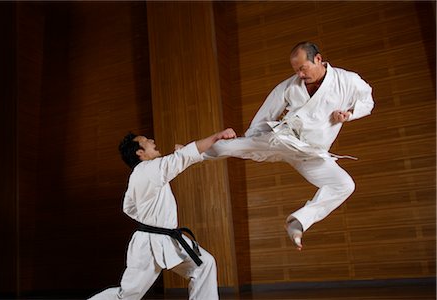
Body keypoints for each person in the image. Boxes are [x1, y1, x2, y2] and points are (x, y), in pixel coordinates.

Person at [204, 41, 374, 251]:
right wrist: (249, 139)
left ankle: (298, 222)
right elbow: (265, 114)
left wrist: (350, 115)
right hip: (285, 141)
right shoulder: (289, 86)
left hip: (312, 154)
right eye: (296, 70)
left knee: (344, 185)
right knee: (228, 148)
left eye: (303, 68)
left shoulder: (347, 81)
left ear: (318, 59)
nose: (300, 75)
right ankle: (190, 152)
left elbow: (367, 100)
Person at [88, 128, 237, 300]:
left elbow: (128, 207)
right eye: (146, 141)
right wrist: (216, 136)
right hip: (147, 245)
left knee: (204, 264)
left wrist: (149, 218)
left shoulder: (143, 173)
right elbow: (181, 158)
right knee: (127, 296)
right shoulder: (148, 170)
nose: (152, 140)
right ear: (140, 152)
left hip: (166, 238)